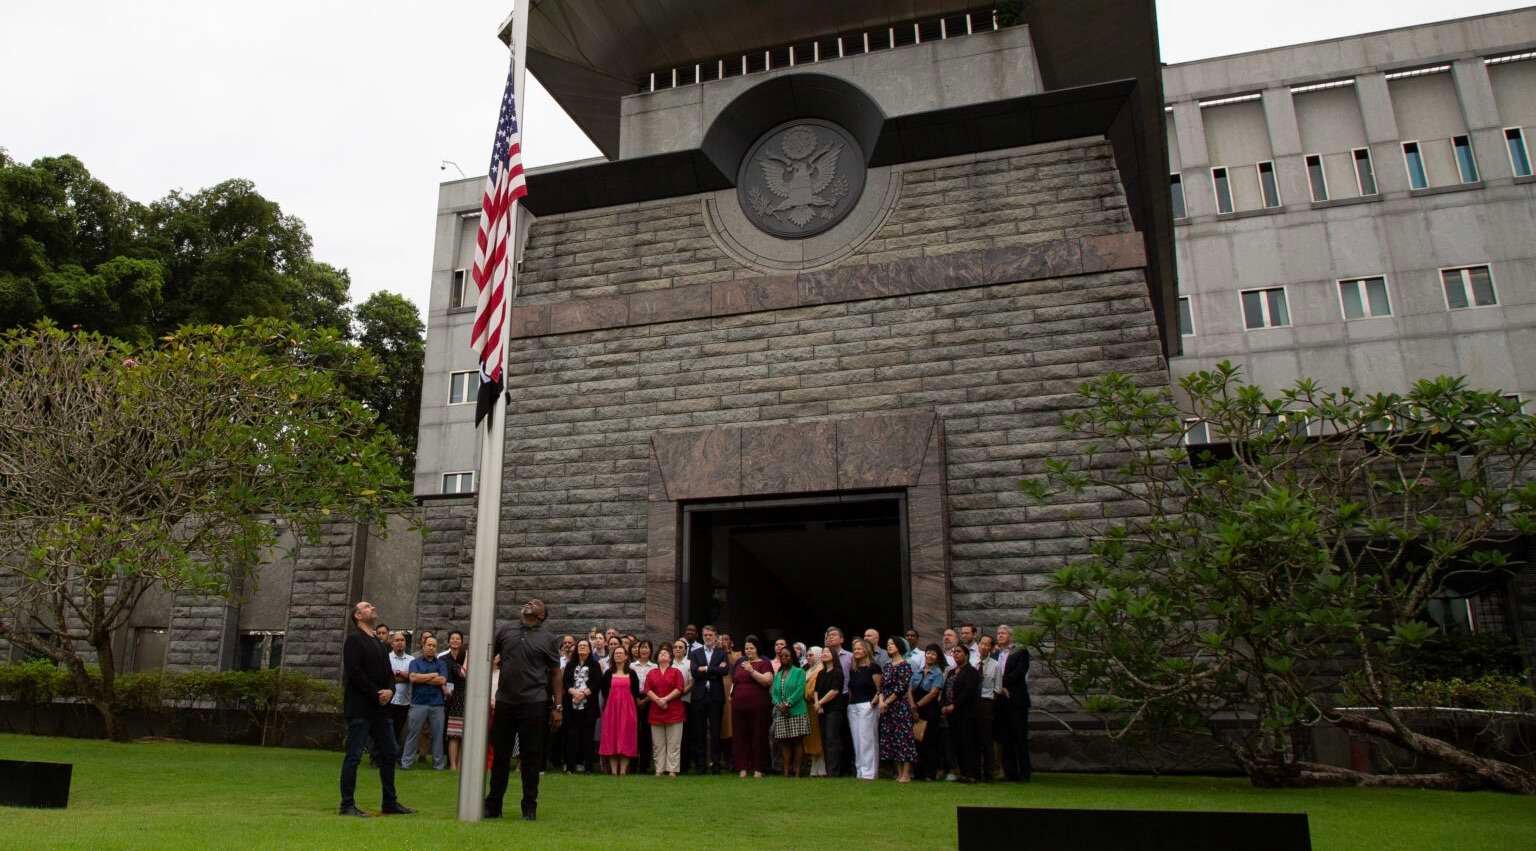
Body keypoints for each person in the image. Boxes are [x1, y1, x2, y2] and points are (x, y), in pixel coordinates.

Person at [485, 597, 564, 821]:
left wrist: (558, 706)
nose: (530, 602)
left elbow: (556, 673)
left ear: (541, 615)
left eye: (537, 603)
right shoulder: (505, 630)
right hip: (505, 702)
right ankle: (493, 805)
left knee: (531, 757)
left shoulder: (548, 639)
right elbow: (486, 657)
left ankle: (529, 806)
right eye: (529, 601)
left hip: (534, 702)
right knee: (500, 756)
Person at [338, 601, 412, 817]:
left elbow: (390, 672)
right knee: (354, 755)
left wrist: (389, 690)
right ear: (358, 615)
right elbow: (355, 672)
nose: (373, 608)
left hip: (380, 710)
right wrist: (376, 693)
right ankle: (347, 805)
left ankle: (390, 802)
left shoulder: (380, 643)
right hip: (361, 708)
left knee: (389, 752)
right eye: (367, 606)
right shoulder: (354, 640)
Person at [402, 635, 449, 770]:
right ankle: (406, 763)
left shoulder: (441, 664)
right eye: (429, 645)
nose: (431, 648)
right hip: (418, 703)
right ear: (423, 646)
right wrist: (432, 675)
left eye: (434, 646)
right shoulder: (415, 662)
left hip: (437, 704)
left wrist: (422, 678)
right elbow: (412, 678)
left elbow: (442, 681)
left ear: (436, 648)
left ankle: (438, 765)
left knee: (438, 735)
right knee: (413, 734)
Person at [688, 625, 730, 773]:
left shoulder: (721, 653)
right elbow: (694, 672)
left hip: (716, 696)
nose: (707, 637)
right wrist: (714, 670)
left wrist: (705, 669)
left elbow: (724, 670)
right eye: (705, 635)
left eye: (710, 635)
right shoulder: (695, 653)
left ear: (715, 636)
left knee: (715, 731)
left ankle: (716, 764)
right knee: (699, 731)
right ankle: (701, 765)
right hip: (699, 696)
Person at [730, 635, 774, 778]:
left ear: (757, 649)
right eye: (746, 648)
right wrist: (732, 694)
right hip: (738, 705)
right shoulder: (740, 663)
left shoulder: (764, 663)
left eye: (751, 648)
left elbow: (767, 681)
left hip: (758, 706)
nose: (748, 651)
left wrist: (752, 671)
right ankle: (742, 767)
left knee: (758, 735)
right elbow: (734, 681)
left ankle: (758, 768)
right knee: (740, 736)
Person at [877, 636, 917, 782]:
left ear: (899, 646)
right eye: (887, 644)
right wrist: (881, 701)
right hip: (886, 708)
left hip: (900, 707)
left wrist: (886, 702)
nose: (889, 646)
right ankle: (898, 772)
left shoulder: (905, 665)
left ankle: (906, 774)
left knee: (904, 739)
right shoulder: (887, 666)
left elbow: (901, 688)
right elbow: (881, 687)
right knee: (891, 739)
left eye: (892, 644)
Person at [645, 644, 687, 777]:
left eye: (666, 653)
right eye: (660, 653)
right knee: (658, 744)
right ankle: (659, 769)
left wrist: (665, 700)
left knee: (674, 743)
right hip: (656, 711)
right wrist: (658, 700)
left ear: (671, 658)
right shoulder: (652, 673)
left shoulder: (676, 672)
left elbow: (679, 688)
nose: (663, 654)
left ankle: (672, 769)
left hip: (674, 710)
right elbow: (647, 689)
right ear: (657, 658)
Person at [598, 643, 640, 775]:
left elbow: (635, 692)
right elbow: (604, 692)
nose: (618, 655)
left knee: (626, 736)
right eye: (616, 653)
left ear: (626, 656)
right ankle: (613, 770)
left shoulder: (632, 673)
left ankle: (623, 771)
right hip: (611, 710)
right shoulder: (608, 673)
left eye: (621, 653)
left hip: (628, 710)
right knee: (611, 736)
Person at [562, 638, 602, 773]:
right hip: (572, 706)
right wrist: (573, 692)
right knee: (571, 737)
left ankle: (588, 767)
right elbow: (566, 682)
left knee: (587, 737)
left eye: (585, 646)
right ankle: (570, 767)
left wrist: (583, 694)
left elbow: (597, 683)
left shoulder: (595, 665)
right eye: (580, 646)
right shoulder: (570, 665)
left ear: (590, 649)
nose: (582, 648)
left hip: (588, 706)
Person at [942, 644, 980, 782]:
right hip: (952, 715)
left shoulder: (971, 672)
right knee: (956, 743)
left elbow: (968, 691)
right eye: (954, 652)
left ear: (966, 654)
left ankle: (972, 774)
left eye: (959, 652)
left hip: (966, 713)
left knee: (968, 743)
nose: (956, 654)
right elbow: (946, 689)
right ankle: (963, 772)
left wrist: (954, 705)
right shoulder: (952, 672)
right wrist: (945, 705)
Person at [770, 643, 808, 777]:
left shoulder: (799, 672)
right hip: (781, 712)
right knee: (784, 742)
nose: (784, 658)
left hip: (796, 711)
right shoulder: (778, 674)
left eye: (787, 655)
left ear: (792, 657)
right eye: (782, 656)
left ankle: (797, 771)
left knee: (797, 742)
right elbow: (773, 692)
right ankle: (786, 771)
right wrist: (778, 704)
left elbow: (800, 689)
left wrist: (788, 703)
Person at [846, 638, 882, 780]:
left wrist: (873, 702)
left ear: (866, 650)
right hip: (853, 706)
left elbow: (879, 688)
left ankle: (869, 772)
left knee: (867, 739)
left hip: (867, 705)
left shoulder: (874, 667)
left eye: (860, 648)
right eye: (855, 649)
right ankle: (860, 770)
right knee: (857, 740)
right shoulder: (853, 669)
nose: (857, 651)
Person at [1000, 635, 1033, 782]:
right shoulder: (996, 653)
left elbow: (1019, 673)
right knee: (1005, 739)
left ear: (1011, 636)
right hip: (1001, 702)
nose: (1000, 635)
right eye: (998, 632)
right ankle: (1010, 772)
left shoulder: (1021, 652)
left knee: (1019, 737)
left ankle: (1024, 772)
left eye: (1003, 632)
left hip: (1016, 700)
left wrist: (1000, 683)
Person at [911, 643, 946, 780]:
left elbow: (933, 693)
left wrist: (917, 706)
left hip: (929, 710)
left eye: (933, 654)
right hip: (914, 708)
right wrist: (912, 706)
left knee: (929, 742)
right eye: (928, 653)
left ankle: (930, 773)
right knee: (916, 741)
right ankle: (918, 773)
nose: (930, 656)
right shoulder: (917, 671)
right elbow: (909, 689)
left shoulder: (938, 673)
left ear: (937, 657)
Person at [811, 645, 845, 777]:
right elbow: (816, 690)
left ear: (833, 655)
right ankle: (828, 769)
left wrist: (820, 702)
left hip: (834, 709)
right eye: (823, 652)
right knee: (825, 739)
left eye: (827, 652)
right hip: (822, 710)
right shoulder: (821, 672)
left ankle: (834, 771)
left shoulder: (837, 672)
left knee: (832, 739)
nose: (824, 654)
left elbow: (835, 691)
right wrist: (816, 703)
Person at [975, 634, 1002, 782]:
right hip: (973, 702)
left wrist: (990, 705)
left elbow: (997, 688)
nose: (984, 647)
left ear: (991, 648)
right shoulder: (973, 662)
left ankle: (989, 772)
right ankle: (975, 770)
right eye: (982, 644)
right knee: (975, 738)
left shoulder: (995, 665)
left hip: (987, 702)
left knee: (987, 739)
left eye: (987, 645)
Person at [440, 631, 468, 770]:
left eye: (458, 639)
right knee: (453, 733)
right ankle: (452, 764)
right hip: (451, 698)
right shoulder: (444, 658)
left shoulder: (467, 659)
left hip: (465, 698)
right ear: (448, 641)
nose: (455, 641)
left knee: (464, 734)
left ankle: (461, 764)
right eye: (452, 638)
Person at [630, 639, 657, 774]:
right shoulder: (631, 666)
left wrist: (645, 700)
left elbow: (656, 687)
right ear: (638, 650)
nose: (644, 650)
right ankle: (633, 764)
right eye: (642, 647)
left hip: (649, 700)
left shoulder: (654, 667)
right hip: (633, 700)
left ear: (651, 650)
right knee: (633, 732)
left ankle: (645, 765)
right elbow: (629, 685)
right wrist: (636, 699)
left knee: (646, 733)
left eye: (647, 647)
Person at [671, 637, 695, 772]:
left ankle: (684, 765)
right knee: (672, 735)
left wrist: (680, 692)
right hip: (671, 703)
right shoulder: (669, 664)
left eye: (681, 647)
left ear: (685, 650)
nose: (678, 649)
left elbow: (692, 682)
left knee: (685, 734)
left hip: (685, 701)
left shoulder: (690, 663)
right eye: (675, 647)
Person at [386, 631, 413, 751]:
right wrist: (405, 677)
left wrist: (398, 676)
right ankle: (377, 757)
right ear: (392, 644)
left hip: (405, 702)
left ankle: (395, 756)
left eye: (402, 640)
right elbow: (386, 678)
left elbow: (413, 678)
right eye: (397, 640)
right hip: (389, 701)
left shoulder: (411, 660)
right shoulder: (386, 658)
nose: (400, 643)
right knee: (386, 730)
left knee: (399, 731)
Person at [802, 645, 826, 776]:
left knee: (818, 736)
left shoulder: (821, 669)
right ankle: (814, 765)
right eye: (807, 655)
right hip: (806, 706)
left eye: (811, 655)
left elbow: (815, 688)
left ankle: (821, 766)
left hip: (816, 705)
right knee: (810, 736)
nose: (808, 657)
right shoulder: (807, 670)